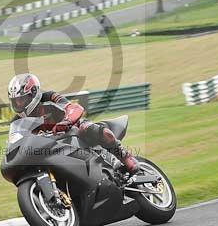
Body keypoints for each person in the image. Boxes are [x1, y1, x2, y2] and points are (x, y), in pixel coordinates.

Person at [7, 73, 139, 174]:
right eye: (16, 101)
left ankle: (126, 158)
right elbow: (15, 141)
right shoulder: (17, 121)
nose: (19, 104)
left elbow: (74, 108)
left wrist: (66, 122)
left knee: (88, 128)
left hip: (71, 130)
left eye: (22, 100)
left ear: (33, 94)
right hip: (50, 147)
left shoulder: (49, 97)